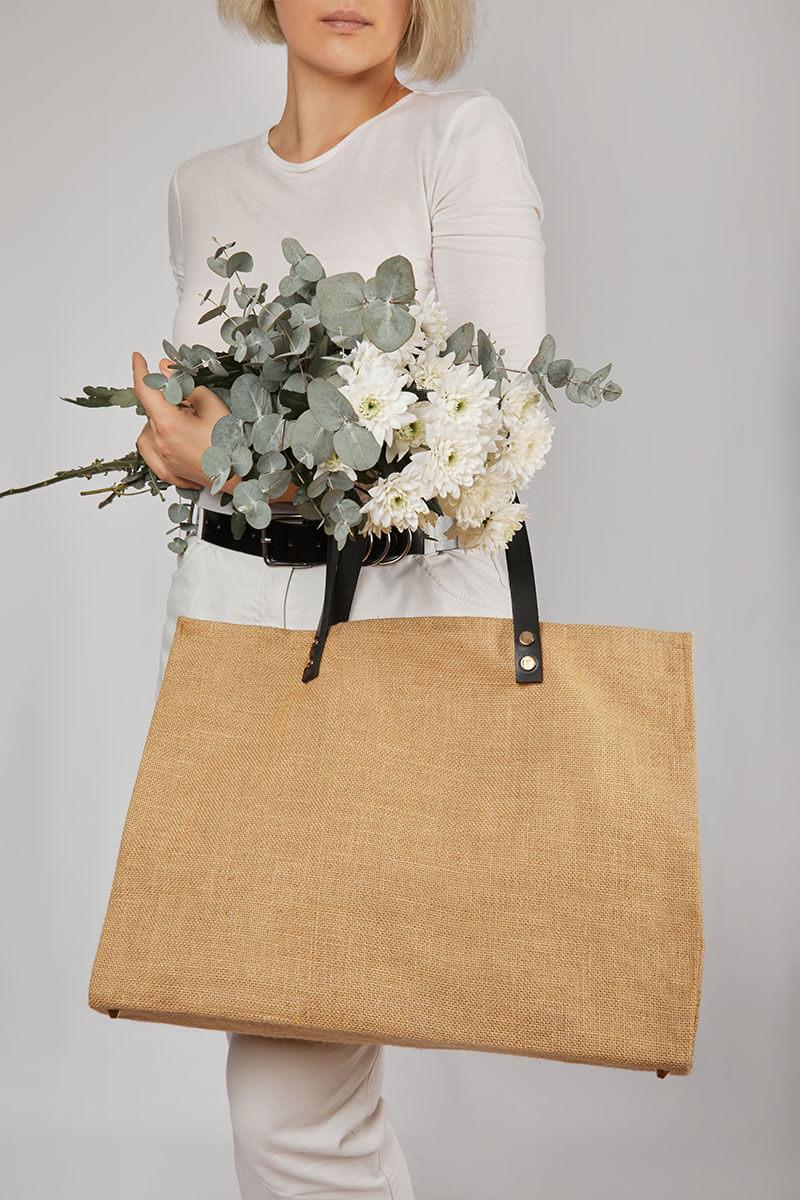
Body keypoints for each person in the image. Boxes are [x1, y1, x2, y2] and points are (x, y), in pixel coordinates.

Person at [131, 2, 546, 1196]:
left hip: (396, 631)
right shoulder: (200, 186)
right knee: (302, 1095)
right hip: (224, 621)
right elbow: (211, 424)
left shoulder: (458, 139)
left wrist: (241, 466)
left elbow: (496, 444)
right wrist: (175, 447)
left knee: (290, 1106)